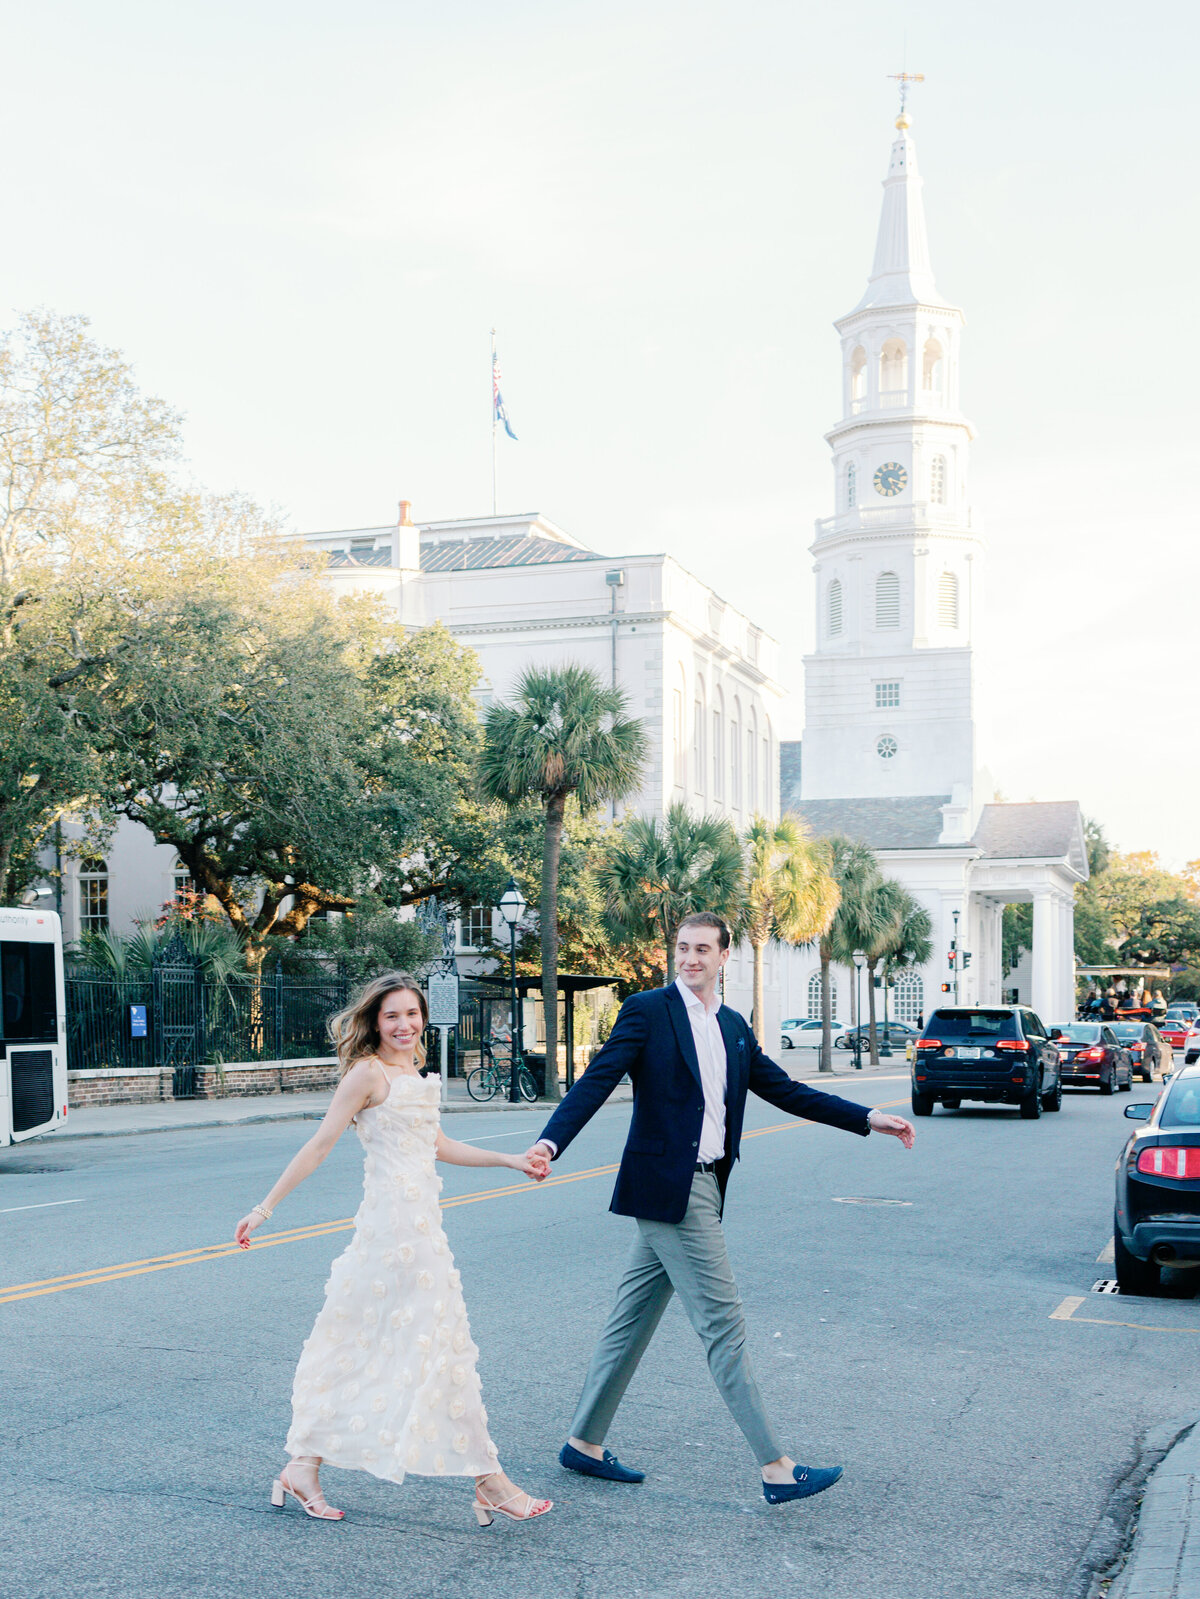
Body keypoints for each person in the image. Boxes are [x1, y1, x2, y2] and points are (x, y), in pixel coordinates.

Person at [523, 912, 915, 1506]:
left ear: (724, 956)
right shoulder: (649, 1011)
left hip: (698, 1184)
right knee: (724, 1326)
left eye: (702, 949)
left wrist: (866, 1118)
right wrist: (551, 1142)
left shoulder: (732, 1025)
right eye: (682, 948)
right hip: (674, 1191)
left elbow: (784, 1089)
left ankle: (583, 1443)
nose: (690, 958)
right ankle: (777, 1468)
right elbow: (598, 1078)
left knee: (629, 1323)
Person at [234, 971, 552, 1529]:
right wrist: (264, 1209)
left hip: (423, 1229)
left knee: (390, 1345)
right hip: (391, 1235)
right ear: (374, 1023)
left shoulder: (419, 1077)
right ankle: (489, 1482)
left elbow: (440, 1146)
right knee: (429, 1345)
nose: (404, 1025)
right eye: (392, 1016)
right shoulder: (367, 1075)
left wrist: (511, 1160)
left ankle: (303, 1465)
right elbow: (320, 1143)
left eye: (412, 1014)